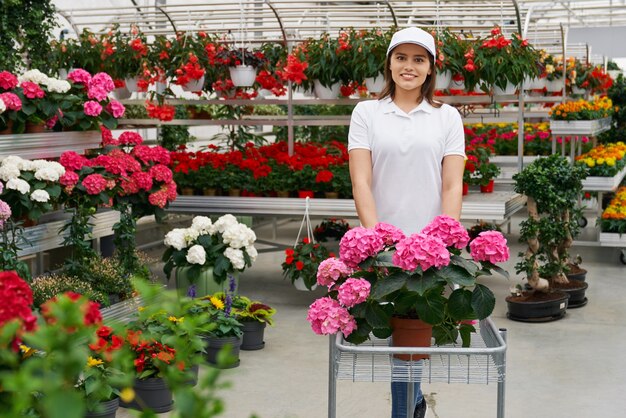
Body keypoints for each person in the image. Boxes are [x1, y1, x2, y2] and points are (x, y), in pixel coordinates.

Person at [347, 27, 466, 418]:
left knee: (417, 330)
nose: (409, 67)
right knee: (395, 332)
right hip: (382, 245)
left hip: (431, 248)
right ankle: (409, 406)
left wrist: (444, 241)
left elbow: (451, 184)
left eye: (419, 59)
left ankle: (408, 406)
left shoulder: (446, 117)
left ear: (431, 68)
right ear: (389, 64)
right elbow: (361, 179)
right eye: (402, 58)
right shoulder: (367, 112)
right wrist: (374, 238)